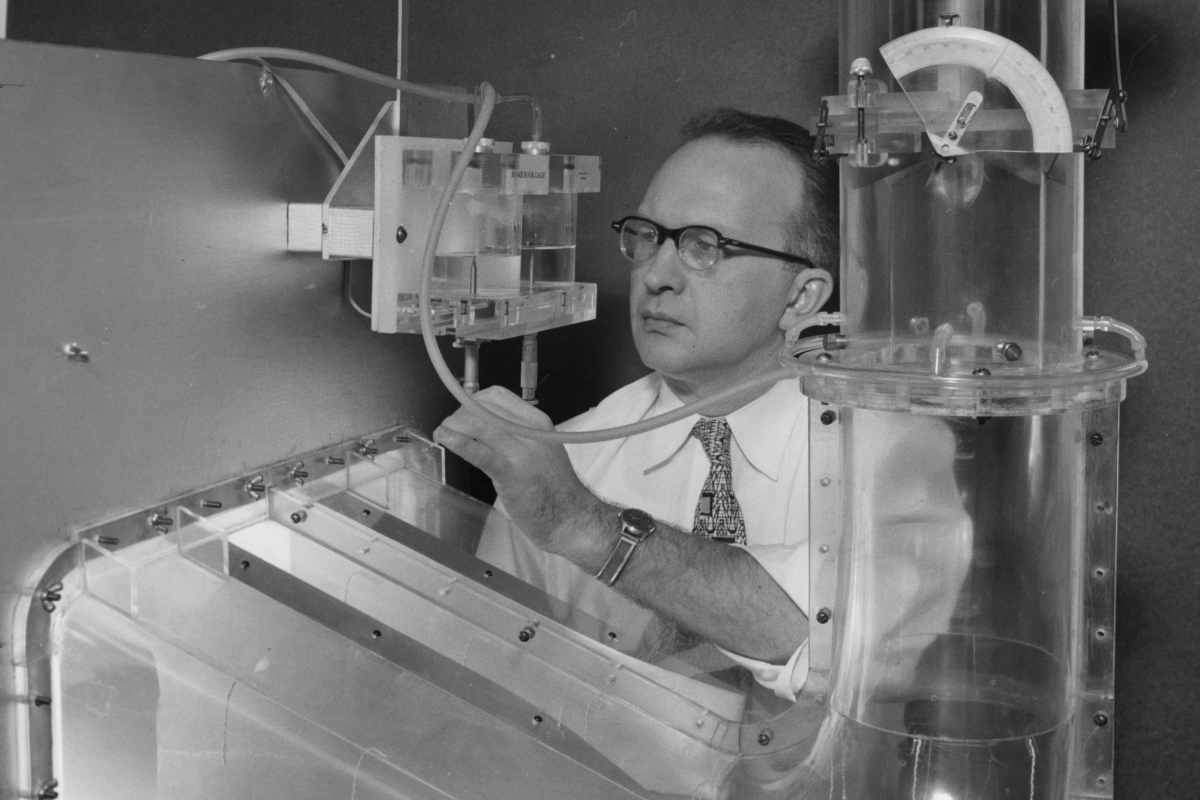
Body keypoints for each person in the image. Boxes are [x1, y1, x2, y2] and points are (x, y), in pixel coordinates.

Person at [434, 108, 839, 701]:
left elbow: (833, 641)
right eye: (650, 237)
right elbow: (491, 700)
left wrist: (583, 525)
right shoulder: (558, 464)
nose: (657, 276)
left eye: (707, 247)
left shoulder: (879, 457)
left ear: (801, 296)